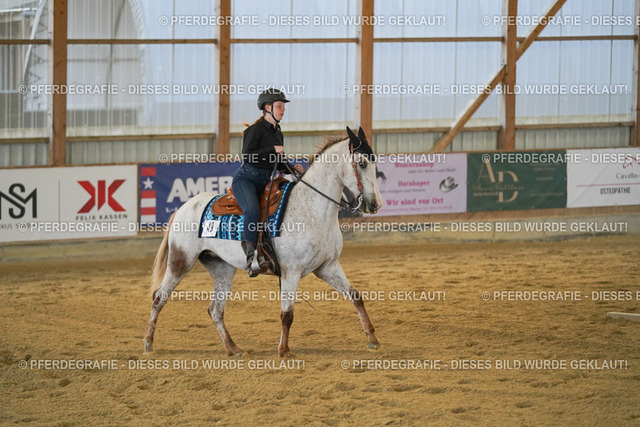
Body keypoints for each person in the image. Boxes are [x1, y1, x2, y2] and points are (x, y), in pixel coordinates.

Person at [232, 88, 303, 277]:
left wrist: (292, 169)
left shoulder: (278, 133)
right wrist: (272, 150)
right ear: (267, 107)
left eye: (283, 107)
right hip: (246, 180)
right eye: (279, 106)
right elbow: (248, 156)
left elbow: (278, 162)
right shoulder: (253, 130)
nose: (283, 110)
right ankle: (251, 258)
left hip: (265, 182)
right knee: (252, 211)